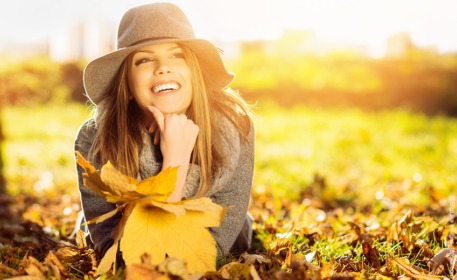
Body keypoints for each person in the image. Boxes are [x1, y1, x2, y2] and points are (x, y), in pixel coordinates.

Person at [73, 2, 258, 264]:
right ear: (126, 85)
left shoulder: (235, 127)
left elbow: (205, 254)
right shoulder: (95, 137)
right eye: (145, 59)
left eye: (176, 55)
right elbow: (125, 258)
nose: (163, 67)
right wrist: (175, 163)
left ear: (195, 74)